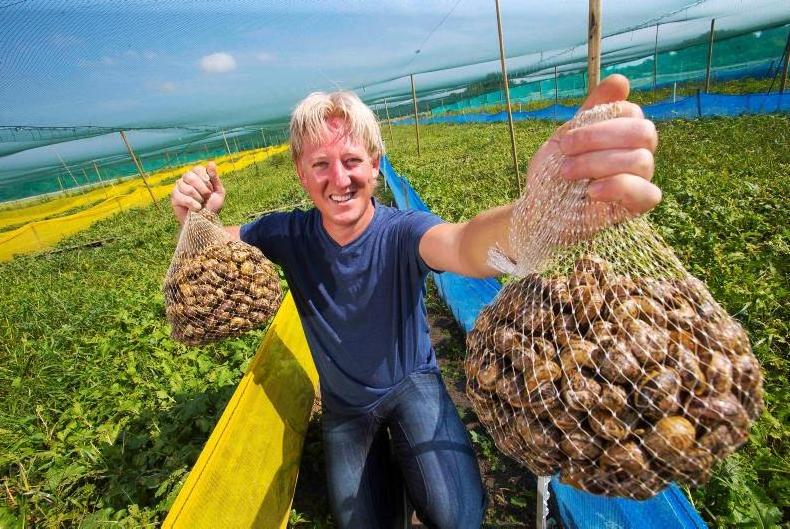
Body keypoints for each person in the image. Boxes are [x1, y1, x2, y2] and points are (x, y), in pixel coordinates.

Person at [170, 74, 660, 529]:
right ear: (301, 173)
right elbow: (216, 251)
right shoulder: (286, 233)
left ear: (376, 165)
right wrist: (197, 217)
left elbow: (466, 243)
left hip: (411, 383)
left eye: (352, 161)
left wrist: (536, 217)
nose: (338, 179)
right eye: (320, 164)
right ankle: (389, 479)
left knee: (459, 515)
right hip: (345, 407)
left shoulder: (403, 232)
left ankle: (411, 466)